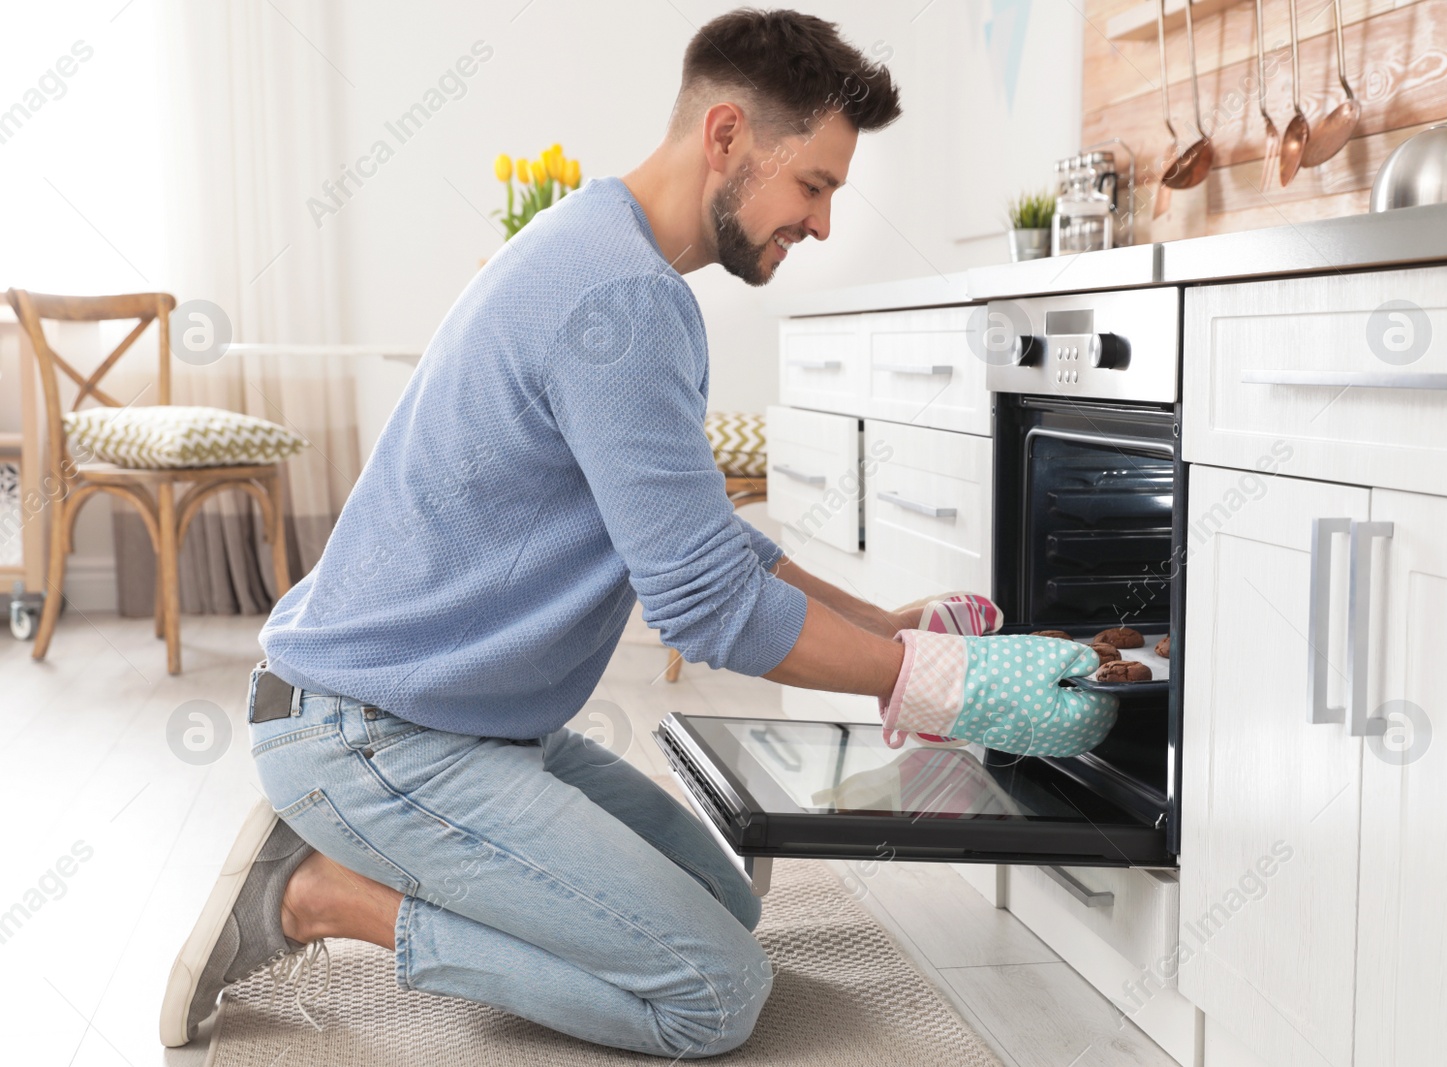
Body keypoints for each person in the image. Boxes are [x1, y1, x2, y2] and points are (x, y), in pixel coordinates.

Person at [160, 9, 918, 1058]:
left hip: (460, 723)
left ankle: (366, 848)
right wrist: (921, 681)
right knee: (713, 989)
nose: (823, 223)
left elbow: (701, 545)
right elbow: (706, 608)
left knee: (721, 906)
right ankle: (318, 896)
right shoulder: (621, 294)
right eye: (816, 187)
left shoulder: (606, 249)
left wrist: (886, 625)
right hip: (373, 733)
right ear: (728, 136)